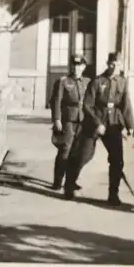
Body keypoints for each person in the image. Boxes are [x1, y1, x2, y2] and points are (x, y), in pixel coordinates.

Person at [64, 52, 134, 205]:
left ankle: (113, 195)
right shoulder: (97, 81)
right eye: (111, 63)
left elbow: (126, 105)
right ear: (107, 63)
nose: (114, 67)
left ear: (121, 65)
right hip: (95, 121)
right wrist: (97, 123)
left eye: (117, 64)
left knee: (117, 160)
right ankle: (69, 185)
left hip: (114, 122)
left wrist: (130, 125)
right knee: (83, 155)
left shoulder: (122, 81)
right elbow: (87, 105)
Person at [50, 54, 90, 190]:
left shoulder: (87, 82)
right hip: (67, 121)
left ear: (84, 67)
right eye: (74, 65)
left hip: (82, 121)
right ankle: (58, 181)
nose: (76, 68)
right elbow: (56, 101)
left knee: (77, 152)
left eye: (79, 65)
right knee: (65, 150)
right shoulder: (63, 81)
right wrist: (56, 119)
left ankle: (71, 180)